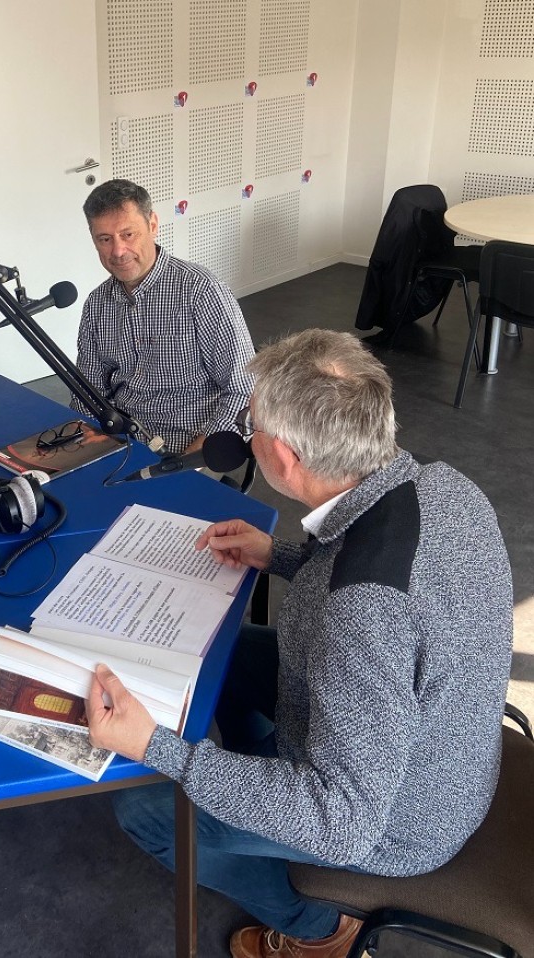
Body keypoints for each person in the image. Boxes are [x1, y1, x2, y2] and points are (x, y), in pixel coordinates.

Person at [85, 329, 513, 958]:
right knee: (225, 655)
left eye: (250, 425)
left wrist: (159, 748)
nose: (244, 434)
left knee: (145, 812)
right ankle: (259, 774)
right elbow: (394, 593)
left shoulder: (360, 614)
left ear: (283, 458)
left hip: (397, 821)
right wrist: (281, 556)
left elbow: (343, 821)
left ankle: (316, 929)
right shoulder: (440, 484)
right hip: (437, 743)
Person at [74, 178, 255, 455]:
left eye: (128, 234)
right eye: (105, 239)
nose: (118, 251)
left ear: (153, 225)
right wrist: (86, 449)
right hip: (120, 442)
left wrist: (190, 460)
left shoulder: (201, 291)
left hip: (189, 444)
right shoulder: (96, 304)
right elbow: (88, 394)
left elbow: (244, 391)